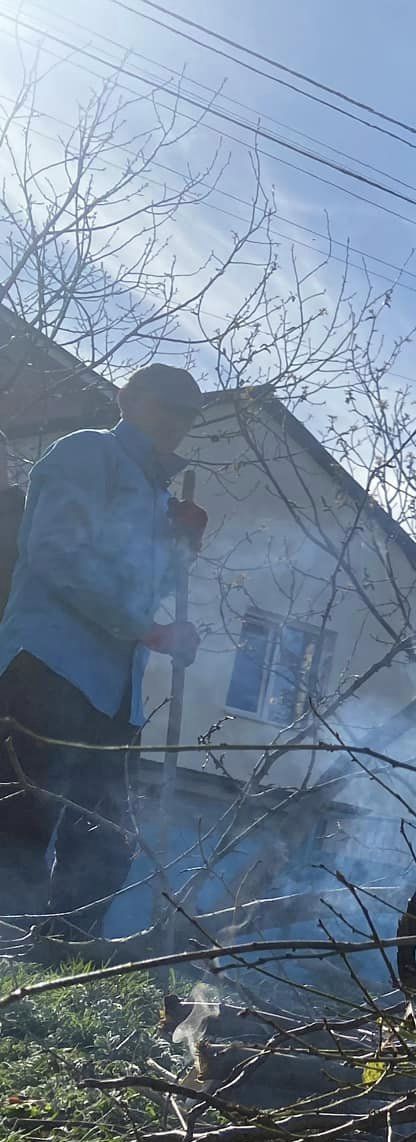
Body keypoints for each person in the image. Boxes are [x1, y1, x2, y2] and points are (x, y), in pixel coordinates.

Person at [0, 364, 208, 951]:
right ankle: (4, 956)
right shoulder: (88, 453)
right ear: (127, 399)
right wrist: (147, 628)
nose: (175, 422)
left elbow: (145, 590)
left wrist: (181, 550)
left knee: (104, 837)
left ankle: (54, 961)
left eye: (186, 414)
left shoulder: (158, 495)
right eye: (164, 405)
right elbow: (55, 553)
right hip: (47, 667)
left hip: (115, 696)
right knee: (21, 818)